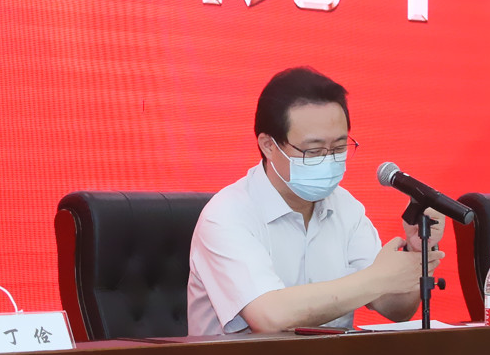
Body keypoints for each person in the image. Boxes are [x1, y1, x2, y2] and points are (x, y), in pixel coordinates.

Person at [187, 67, 444, 336]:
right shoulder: (226, 215)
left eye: (339, 147)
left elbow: (395, 308)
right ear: (268, 145)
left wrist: (417, 251)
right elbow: (269, 317)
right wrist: (377, 278)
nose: (329, 159)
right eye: (314, 150)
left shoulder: (346, 207)